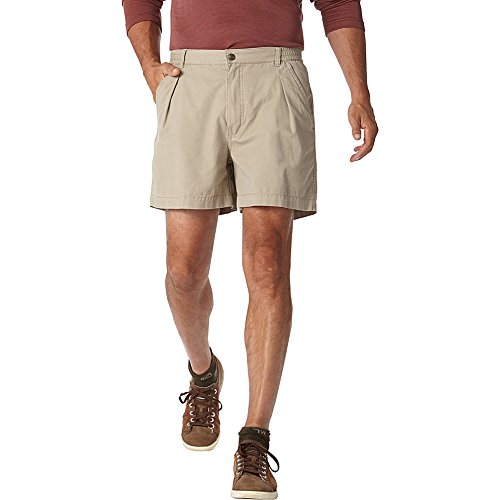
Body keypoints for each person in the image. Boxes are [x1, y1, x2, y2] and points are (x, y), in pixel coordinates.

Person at [122, 1, 378, 498]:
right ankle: (204, 374)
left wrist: (359, 91)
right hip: (190, 76)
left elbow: (338, 4)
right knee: (183, 270)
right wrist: (150, 66)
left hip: (275, 76)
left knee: (267, 263)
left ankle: (255, 437)